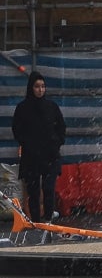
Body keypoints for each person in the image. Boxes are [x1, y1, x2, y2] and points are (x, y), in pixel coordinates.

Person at [11, 70, 66, 222]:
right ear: (31, 88)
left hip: (50, 156)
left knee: (48, 189)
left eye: (43, 86)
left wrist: (56, 142)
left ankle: (48, 220)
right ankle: (36, 222)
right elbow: (17, 129)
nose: (40, 90)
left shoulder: (51, 107)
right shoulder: (23, 108)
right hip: (31, 156)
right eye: (37, 86)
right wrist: (27, 144)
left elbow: (61, 127)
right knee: (33, 192)